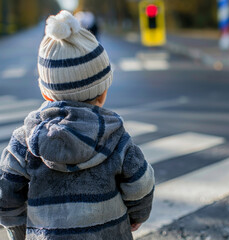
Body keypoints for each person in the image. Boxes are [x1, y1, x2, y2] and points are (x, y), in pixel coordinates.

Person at [0, 10, 154, 240]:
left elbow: (6, 194)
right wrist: (136, 215)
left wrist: (18, 229)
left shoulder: (24, 141)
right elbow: (141, 184)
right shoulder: (116, 137)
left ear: (45, 92)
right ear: (103, 92)